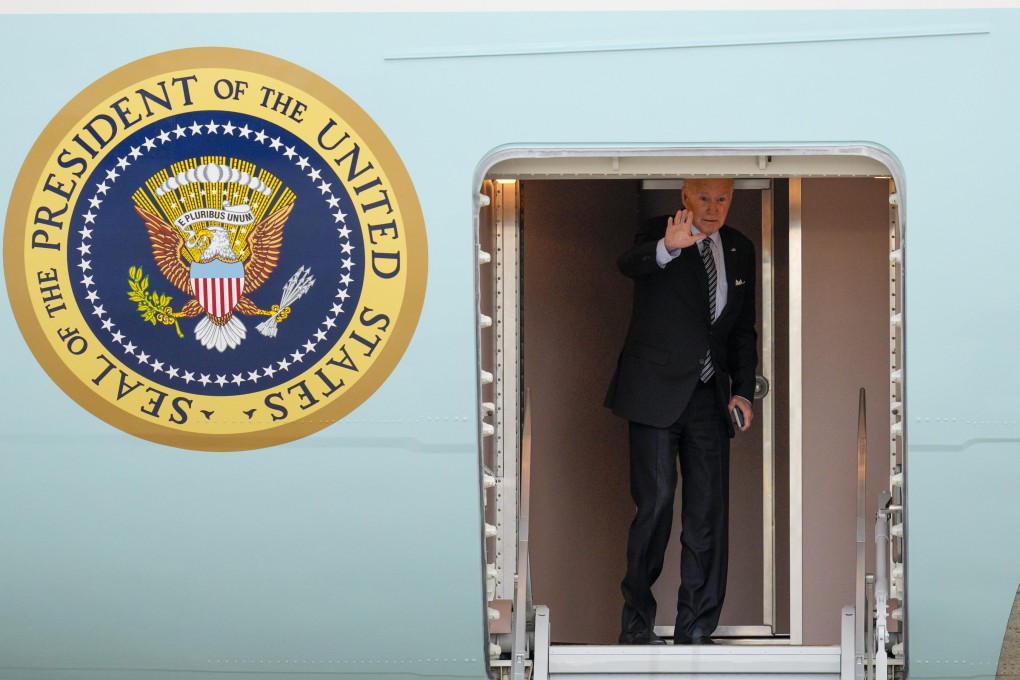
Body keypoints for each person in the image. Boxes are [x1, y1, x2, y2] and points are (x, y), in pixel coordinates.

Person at [604, 177, 758, 646]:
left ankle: (696, 627)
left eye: (722, 198)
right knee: (656, 505)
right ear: (686, 197)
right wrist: (666, 248)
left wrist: (744, 392)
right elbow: (628, 264)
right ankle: (636, 626)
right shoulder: (659, 230)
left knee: (707, 514)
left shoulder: (738, 248)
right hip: (655, 394)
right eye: (704, 197)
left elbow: (742, 330)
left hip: (710, 397)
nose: (713, 208)